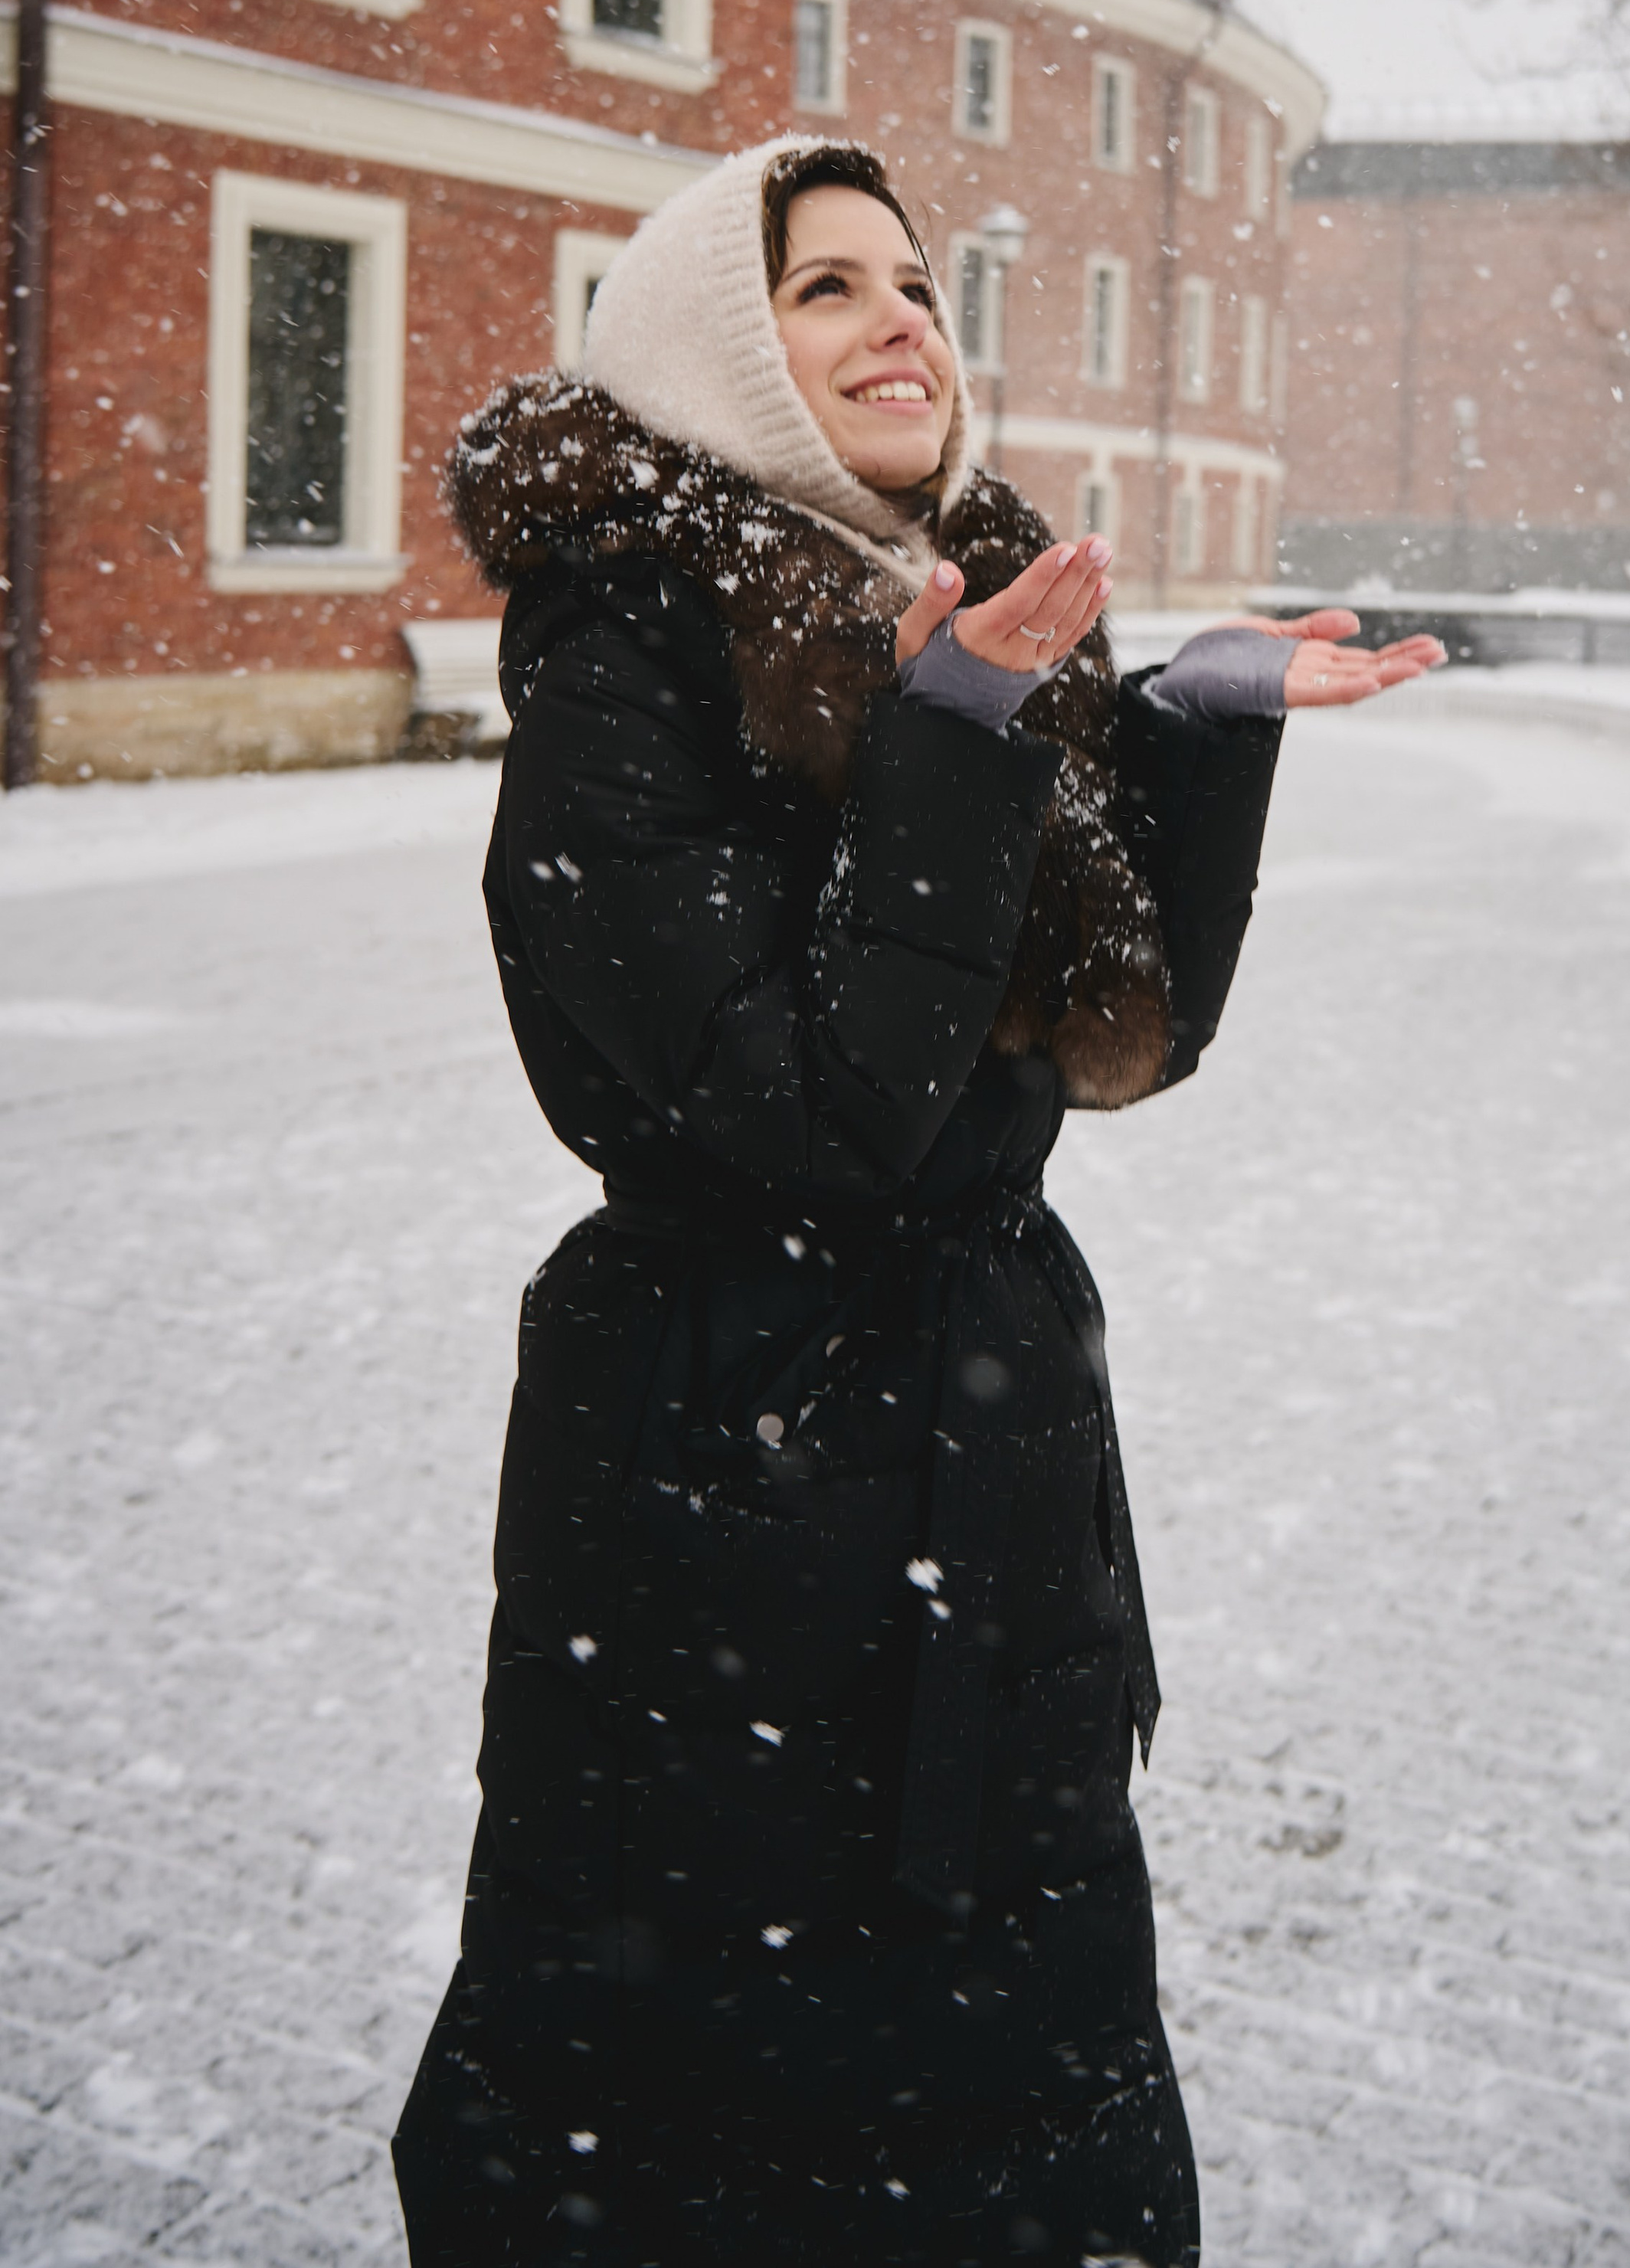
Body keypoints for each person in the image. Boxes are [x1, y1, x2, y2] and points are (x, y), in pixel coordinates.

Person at [394, 136, 1442, 2266]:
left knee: (1021, 2105)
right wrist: (956, 735)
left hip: (995, 1465)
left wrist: (1184, 725)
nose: (902, 320)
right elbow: (812, 1119)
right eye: (825, 287)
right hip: (724, 1483)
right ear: (719, 352)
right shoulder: (623, 666)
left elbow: (1110, 1040)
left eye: (919, 285)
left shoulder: (966, 613)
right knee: (716, 2130)